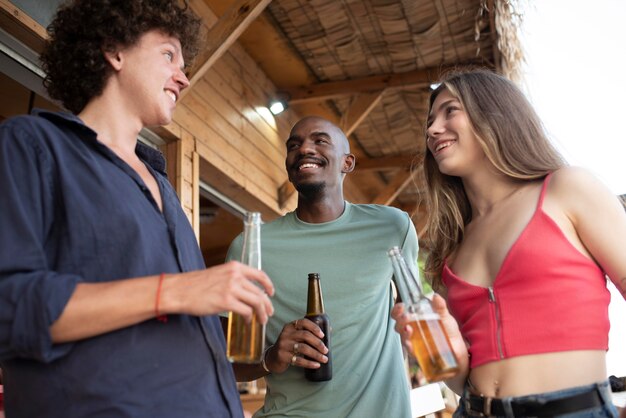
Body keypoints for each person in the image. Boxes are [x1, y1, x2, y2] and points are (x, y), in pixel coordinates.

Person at [0, 1, 274, 417]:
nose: (183, 77)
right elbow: (9, 306)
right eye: (168, 54)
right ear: (115, 52)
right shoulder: (32, 145)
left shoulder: (163, 187)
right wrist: (176, 290)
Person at [392, 69, 626, 417]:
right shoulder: (452, 249)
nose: (432, 129)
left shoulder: (567, 189)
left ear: (494, 114)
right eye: (430, 120)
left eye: (450, 111)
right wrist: (454, 361)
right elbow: (462, 379)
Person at [225, 116, 418, 417]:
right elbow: (225, 363)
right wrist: (271, 358)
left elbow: (414, 323)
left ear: (347, 162)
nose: (304, 149)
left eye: (320, 140)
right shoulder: (251, 246)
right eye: (294, 145)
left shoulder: (392, 227)